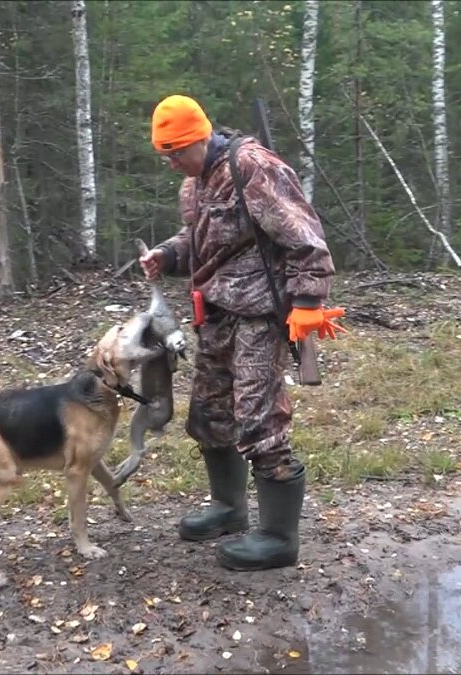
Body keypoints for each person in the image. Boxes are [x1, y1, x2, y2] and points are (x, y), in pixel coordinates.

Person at [138, 94, 344, 571]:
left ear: (199, 137)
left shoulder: (252, 167)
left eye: (174, 152)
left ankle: (278, 537)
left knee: (259, 420)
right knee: (211, 416)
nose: (169, 163)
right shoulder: (193, 185)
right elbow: (201, 242)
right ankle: (229, 509)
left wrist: (308, 303)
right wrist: (168, 255)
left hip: (259, 315)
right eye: (162, 155)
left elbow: (305, 237)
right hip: (214, 314)